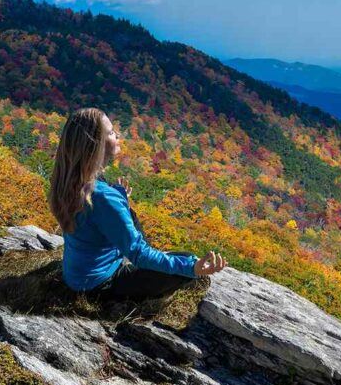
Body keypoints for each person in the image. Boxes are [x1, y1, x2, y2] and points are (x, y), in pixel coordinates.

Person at [48, 107, 226, 301]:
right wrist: (192, 267)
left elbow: (96, 217)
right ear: (96, 145)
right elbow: (138, 253)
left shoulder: (68, 181)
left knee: (129, 214)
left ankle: (155, 260)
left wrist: (121, 200)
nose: (117, 135)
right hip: (99, 287)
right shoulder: (104, 197)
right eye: (111, 132)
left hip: (76, 276)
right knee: (183, 260)